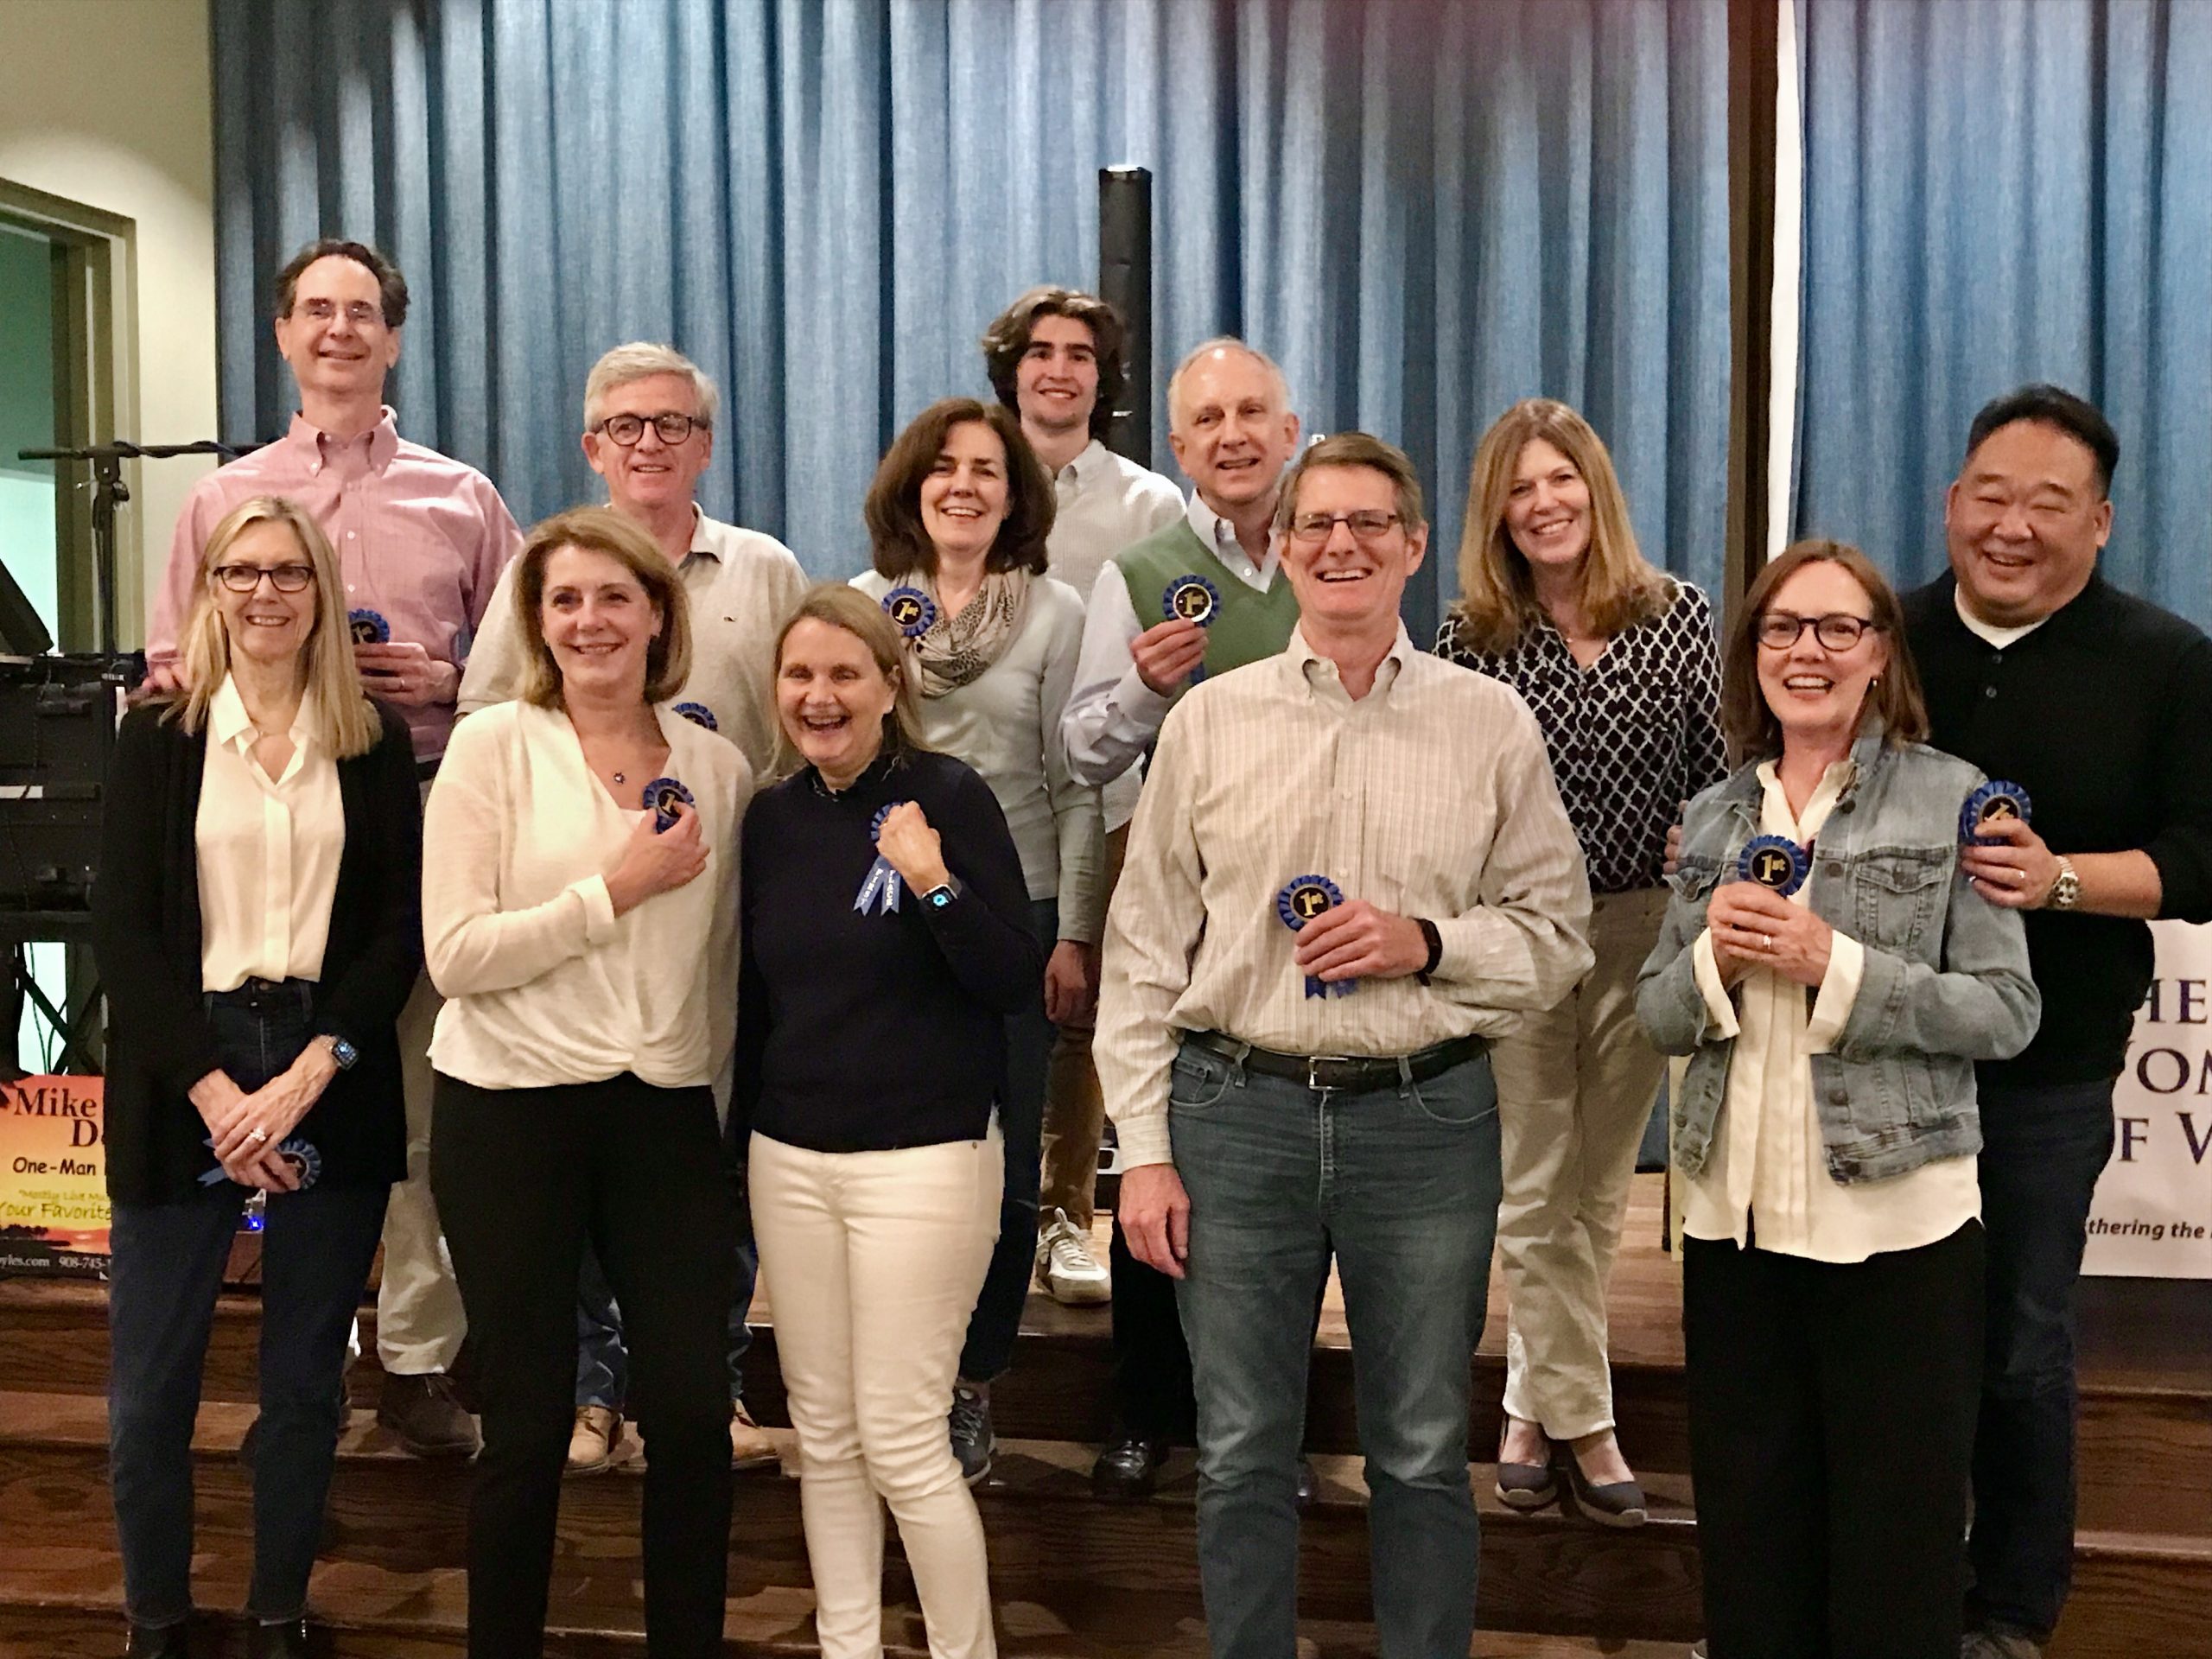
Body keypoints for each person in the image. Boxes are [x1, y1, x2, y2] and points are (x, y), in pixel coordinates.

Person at [1098, 433, 1593, 1659]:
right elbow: (1143, 949)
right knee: (1239, 1451)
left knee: (1420, 1453)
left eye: (1370, 523)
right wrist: (1143, 1152)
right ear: (1284, 548)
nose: (1340, 545)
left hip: (1425, 1122)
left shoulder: (1490, 724)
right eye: (1315, 524)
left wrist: (1426, 943)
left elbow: (1558, 937)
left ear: (1414, 548)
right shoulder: (1208, 723)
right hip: (1235, 1115)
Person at [149, 238, 522, 1459]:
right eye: (317, 310)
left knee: (412, 1103)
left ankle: (410, 1355)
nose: (340, 331)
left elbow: (530, 681)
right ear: (283, 335)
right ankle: (286, 1354)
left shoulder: (465, 499)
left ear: (393, 339)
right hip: (260, 827)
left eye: (363, 312)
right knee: (262, 1066)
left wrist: (447, 684)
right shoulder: (223, 501)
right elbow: (169, 672)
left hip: (424, 813)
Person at [1637, 538, 2040, 1657]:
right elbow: (1655, 1013)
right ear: (1753, 652)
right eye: (1781, 628)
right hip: (1733, 1230)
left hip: (1897, 1231)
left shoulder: (1955, 798)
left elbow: (2006, 1012)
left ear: (1879, 655)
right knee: (1750, 1540)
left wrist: (1838, 967)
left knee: (1896, 1552)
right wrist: (1714, 959)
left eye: (1836, 628)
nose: (1805, 651)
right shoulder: (1714, 816)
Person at [1897, 385, 2212, 1659]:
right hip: (1878, 1060)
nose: (2010, 527)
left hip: (2050, 1067)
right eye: (1990, 496)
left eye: (2046, 504)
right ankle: (1890, 1592)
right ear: (1950, 503)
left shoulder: (2167, 661)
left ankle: (2014, 1608)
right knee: (1889, 1343)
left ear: (2101, 521)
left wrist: (2061, 880)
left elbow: (2201, 859)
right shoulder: (1880, 636)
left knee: (2020, 1342)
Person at [458, 341, 804, 1476]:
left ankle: (705, 1383)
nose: (649, 443)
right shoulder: (541, 569)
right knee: (572, 1186)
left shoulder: (764, 569)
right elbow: (493, 717)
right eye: (626, 426)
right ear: (592, 447)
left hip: (714, 914)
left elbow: (797, 732)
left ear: (705, 445)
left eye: (672, 425)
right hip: (565, 931)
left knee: (703, 1171)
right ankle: (591, 1391)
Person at [94, 495, 423, 1659]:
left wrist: (309, 1073)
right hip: (183, 1069)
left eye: (289, 573)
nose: (265, 594)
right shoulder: (159, 737)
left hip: (330, 1063)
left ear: (321, 595)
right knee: (150, 1395)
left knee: (301, 1388)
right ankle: (156, 1622)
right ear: (212, 593)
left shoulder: (373, 740)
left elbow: (396, 932)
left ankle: (278, 1615)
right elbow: (123, 933)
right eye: (242, 573)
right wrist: (217, 1094)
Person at [422, 507, 747, 1659]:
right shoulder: (492, 747)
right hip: (507, 1111)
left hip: (661, 1116)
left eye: (615, 597)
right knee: (525, 1424)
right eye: (564, 600)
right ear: (536, 621)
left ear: (659, 614)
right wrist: (614, 890)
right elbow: (455, 955)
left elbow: (719, 968)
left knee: (694, 1417)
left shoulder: (718, 768)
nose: (590, 620)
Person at [1436, 397, 1726, 1524]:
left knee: (1598, 1187)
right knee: (1533, 1179)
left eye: (1560, 480)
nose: (1544, 502)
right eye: (1520, 488)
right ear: (1496, 513)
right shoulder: (1467, 639)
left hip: (1641, 932)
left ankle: (1527, 1403)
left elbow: (1718, 775)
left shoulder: (1677, 615)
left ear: (1594, 489)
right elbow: (1451, 803)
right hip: (1517, 934)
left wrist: (1703, 834)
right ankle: (1586, 1424)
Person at [737, 583, 1040, 1659]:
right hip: (790, 1158)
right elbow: (754, 1005)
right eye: (799, 675)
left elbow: (1011, 980)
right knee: (823, 1437)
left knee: (906, 1441)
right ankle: (848, 1646)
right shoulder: (770, 818)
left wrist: (933, 881)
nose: (818, 697)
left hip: (925, 1160)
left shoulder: (948, 796)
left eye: (842, 674)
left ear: (888, 684)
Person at [1060, 336, 1306, 1497]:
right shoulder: (1141, 571)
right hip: (1185, 906)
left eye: (1251, 413)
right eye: (1208, 420)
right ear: (1178, 447)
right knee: (1159, 1148)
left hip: (1307, 917)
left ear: (1289, 431)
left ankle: (1265, 1423)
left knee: (1287, 1176)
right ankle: (1146, 1407)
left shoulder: (1336, 549)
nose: (1232, 435)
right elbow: (1080, 750)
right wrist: (1145, 688)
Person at [850, 397, 1102, 1482]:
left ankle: (970, 1381)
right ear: (911, 486)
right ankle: (887, 1376)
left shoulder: (1055, 613)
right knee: (888, 1159)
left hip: (1016, 914)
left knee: (999, 1176)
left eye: (986, 470)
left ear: (1015, 495)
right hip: (884, 915)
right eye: (943, 467)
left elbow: (1077, 785)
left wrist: (1075, 933)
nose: (962, 486)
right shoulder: (863, 608)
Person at [981, 285, 1181, 1306]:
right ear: (1010, 369)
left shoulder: (1149, 507)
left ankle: (1063, 1217)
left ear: (1104, 381)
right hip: (985, 798)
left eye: (1079, 356)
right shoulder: (969, 476)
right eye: (1040, 352)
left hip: (1105, 794)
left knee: (1080, 1013)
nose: (1058, 370)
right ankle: (981, 1215)